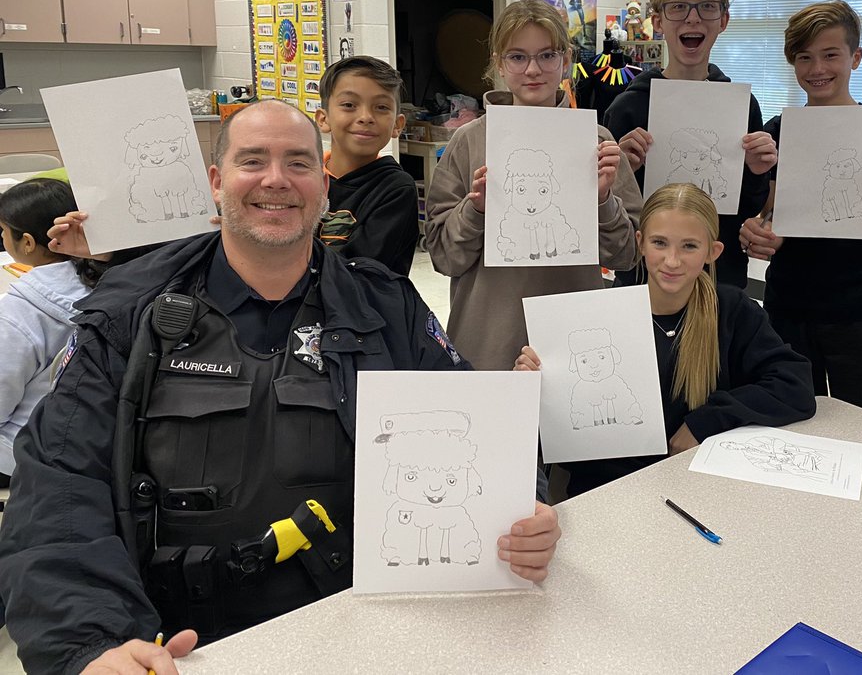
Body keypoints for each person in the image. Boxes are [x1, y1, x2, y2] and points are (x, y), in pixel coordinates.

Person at [0, 100, 561, 675]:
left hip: (370, 632)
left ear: (323, 183)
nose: (275, 180)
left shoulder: (385, 307)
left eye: (297, 163)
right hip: (183, 646)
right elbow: (59, 486)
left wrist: (524, 510)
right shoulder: (129, 315)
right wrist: (91, 641)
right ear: (217, 183)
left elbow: (474, 423)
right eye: (252, 161)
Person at [517, 183, 816, 497]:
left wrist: (707, 421)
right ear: (641, 243)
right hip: (607, 493)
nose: (672, 261)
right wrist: (532, 386)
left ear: (712, 252)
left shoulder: (731, 311)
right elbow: (555, 429)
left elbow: (794, 384)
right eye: (660, 243)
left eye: (689, 246)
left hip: (701, 487)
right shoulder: (596, 320)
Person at [425, 0, 642, 371]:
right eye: (517, 57)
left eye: (546, 55)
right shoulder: (469, 141)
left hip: (573, 339)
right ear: (499, 63)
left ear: (566, 59)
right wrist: (476, 209)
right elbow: (445, 258)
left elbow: (626, 256)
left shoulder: (597, 141)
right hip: (488, 337)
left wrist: (603, 198)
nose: (532, 70)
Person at [739, 1, 862, 417]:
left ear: (856, 57)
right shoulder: (779, 133)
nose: (817, 68)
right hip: (789, 305)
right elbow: (770, 217)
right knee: (795, 418)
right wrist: (757, 228)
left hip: (860, 308)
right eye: (804, 57)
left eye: (830, 54)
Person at [603, 0, 777, 289]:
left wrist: (758, 172)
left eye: (707, 6)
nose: (692, 19)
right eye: (678, 6)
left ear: (723, 21)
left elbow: (743, 211)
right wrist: (624, 172)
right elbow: (610, 216)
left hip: (717, 275)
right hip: (644, 277)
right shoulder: (627, 107)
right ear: (658, 21)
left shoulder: (742, 106)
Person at [0, 178, 101, 484]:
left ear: (27, 243)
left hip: (24, 452)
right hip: (89, 445)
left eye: (3, 233)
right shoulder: (112, 284)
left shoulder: (20, 311)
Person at [315, 55, 419, 275]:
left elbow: (360, 271)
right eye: (349, 105)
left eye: (381, 107)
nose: (366, 117)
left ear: (397, 125)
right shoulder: (304, 178)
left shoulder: (396, 189)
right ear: (324, 119)